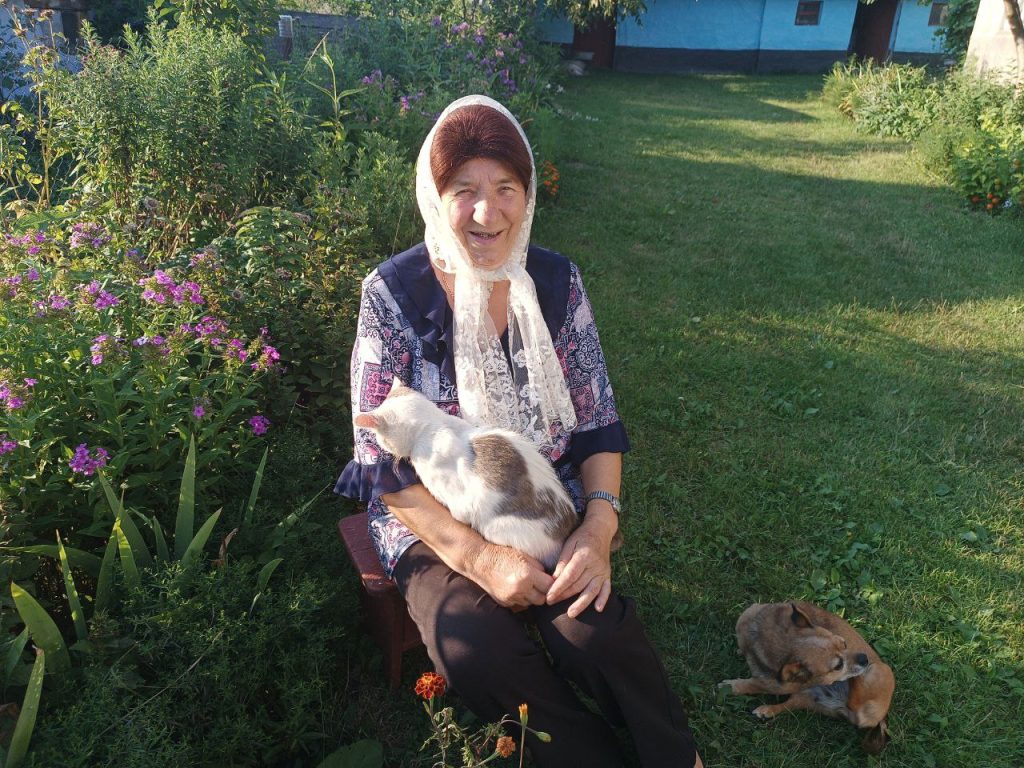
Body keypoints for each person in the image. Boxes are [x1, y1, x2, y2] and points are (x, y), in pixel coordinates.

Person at [336, 94, 703, 768]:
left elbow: (596, 421)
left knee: (594, 633)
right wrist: (478, 558)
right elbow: (378, 464)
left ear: (527, 195)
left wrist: (598, 528)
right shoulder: (391, 295)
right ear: (435, 196)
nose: (488, 212)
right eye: (464, 190)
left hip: (539, 497)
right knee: (477, 646)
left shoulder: (557, 281)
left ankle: (677, 759)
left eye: (506, 188)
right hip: (429, 517)